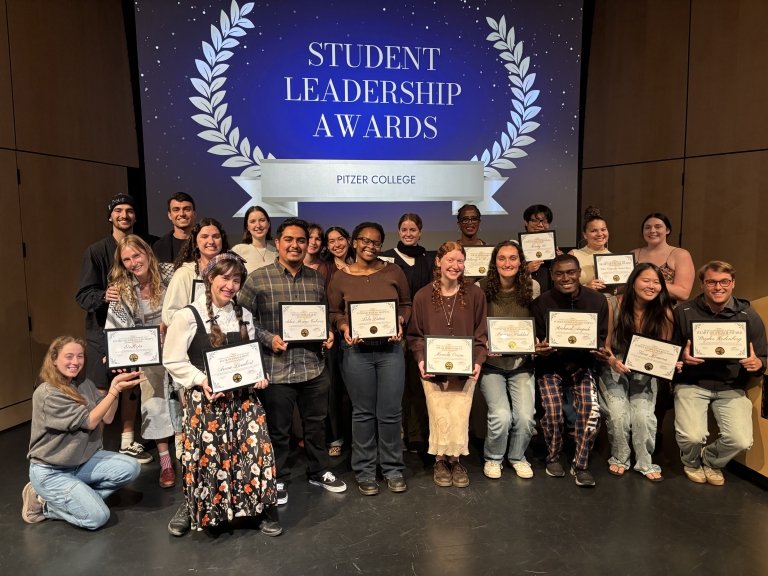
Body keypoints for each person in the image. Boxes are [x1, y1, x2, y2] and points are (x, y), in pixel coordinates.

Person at [163, 252, 281, 536]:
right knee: (208, 458)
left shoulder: (245, 315)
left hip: (242, 400)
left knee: (254, 451)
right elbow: (173, 359)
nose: (230, 285)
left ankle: (257, 508)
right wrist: (202, 380)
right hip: (206, 401)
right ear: (210, 279)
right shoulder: (187, 316)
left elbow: (249, 358)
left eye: (236, 280)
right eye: (224, 278)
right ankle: (195, 507)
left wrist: (258, 378)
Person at [238, 217, 347, 506]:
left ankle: (318, 470)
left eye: (301, 240)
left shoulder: (316, 278)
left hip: (312, 366)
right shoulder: (258, 278)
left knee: (316, 425)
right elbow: (242, 322)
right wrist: (267, 338)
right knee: (279, 429)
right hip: (276, 368)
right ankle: (279, 476)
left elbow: (322, 317)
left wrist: (328, 334)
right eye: (289, 239)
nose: (295, 245)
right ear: (278, 242)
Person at [23, 336, 144, 529]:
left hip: (83, 462)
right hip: (53, 471)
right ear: (54, 359)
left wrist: (115, 387)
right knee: (97, 517)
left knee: (131, 468)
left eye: (80, 356)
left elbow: (108, 417)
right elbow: (89, 421)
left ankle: (79, 497)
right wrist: (113, 391)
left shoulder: (84, 384)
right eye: (68, 356)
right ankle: (45, 504)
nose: (75, 362)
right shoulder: (48, 393)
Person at [327, 222, 411, 495]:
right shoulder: (340, 277)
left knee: (390, 412)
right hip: (356, 353)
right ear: (354, 242)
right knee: (362, 412)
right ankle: (364, 470)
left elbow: (407, 304)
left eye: (376, 242)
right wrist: (343, 327)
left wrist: (400, 320)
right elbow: (333, 312)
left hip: (390, 352)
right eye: (364, 240)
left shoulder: (393, 271)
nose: (369, 246)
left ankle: (392, 468)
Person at [673, 260, 766, 486]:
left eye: (724, 282)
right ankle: (692, 461)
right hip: (692, 384)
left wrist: (758, 364)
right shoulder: (684, 312)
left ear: (733, 283)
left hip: (731, 387)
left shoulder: (749, 315)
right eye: (711, 282)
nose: (718, 287)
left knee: (741, 441)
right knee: (692, 436)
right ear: (702, 285)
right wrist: (680, 358)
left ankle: (711, 460)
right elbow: (669, 352)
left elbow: (763, 356)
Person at [75, 193, 151, 464]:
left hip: (135, 336)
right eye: (118, 210)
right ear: (110, 216)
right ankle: (93, 449)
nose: (124, 215)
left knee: (131, 385)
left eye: (129, 210)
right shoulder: (96, 251)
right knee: (102, 390)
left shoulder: (144, 247)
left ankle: (127, 442)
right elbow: (83, 295)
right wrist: (104, 296)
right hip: (101, 334)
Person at [407, 241, 488, 488]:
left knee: (459, 415)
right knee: (439, 414)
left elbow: (481, 333)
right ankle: (440, 460)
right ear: (438, 262)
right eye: (450, 260)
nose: (455, 266)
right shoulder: (422, 296)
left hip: (466, 368)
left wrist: (478, 361)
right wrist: (421, 360)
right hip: (432, 369)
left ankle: (456, 459)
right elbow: (415, 336)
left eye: (460, 261)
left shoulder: (475, 294)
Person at [531, 254, 609, 487]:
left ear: (579, 274)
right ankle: (553, 456)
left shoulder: (597, 301)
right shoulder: (540, 303)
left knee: (590, 411)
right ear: (552, 276)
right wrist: (540, 350)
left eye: (571, 272)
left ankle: (581, 463)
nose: (566, 278)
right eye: (559, 273)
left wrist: (600, 351)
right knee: (553, 410)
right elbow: (537, 342)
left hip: (583, 366)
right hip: (550, 366)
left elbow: (602, 338)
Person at [106, 235, 176, 488]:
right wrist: (115, 352)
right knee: (153, 402)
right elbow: (116, 326)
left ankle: (189, 456)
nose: (134, 262)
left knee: (184, 400)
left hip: (178, 346)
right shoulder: (122, 288)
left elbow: (187, 302)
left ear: (147, 253)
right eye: (127, 259)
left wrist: (169, 325)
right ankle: (166, 461)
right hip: (149, 354)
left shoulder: (170, 272)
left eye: (136, 255)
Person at [598, 263, 674, 482]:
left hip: (645, 368)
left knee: (642, 414)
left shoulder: (665, 311)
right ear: (633, 281)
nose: (651, 286)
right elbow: (607, 344)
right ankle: (620, 457)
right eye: (645, 280)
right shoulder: (614, 303)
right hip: (615, 363)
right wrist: (612, 360)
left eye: (656, 282)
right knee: (618, 411)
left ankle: (645, 461)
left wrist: (670, 364)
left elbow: (664, 350)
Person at [478, 241, 539, 479]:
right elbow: (475, 326)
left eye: (513, 258)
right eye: (502, 258)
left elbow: (537, 321)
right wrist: (484, 343)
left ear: (521, 262)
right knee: (501, 415)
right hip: (492, 365)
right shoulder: (481, 288)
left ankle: (516, 457)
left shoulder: (532, 287)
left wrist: (535, 341)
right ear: (494, 262)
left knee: (525, 417)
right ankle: (493, 458)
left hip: (521, 364)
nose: (507, 263)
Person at [380, 213, 433, 453]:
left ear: (420, 231)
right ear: (398, 231)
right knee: (396, 385)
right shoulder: (386, 259)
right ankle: (397, 435)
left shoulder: (430, 259)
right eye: (404, 229)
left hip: (422, 328)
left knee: (418, 383)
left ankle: (417, 435)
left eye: (413, 229)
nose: (408, 233)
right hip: (395, 329)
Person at [322, 225, 355, 456]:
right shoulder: (325, 269)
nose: (337, 244)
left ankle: (357, 436)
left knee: (356, 390)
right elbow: (322, 306)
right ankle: (336, 437)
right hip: (334, 336)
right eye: (331, 241)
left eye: (340, 239)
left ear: (349, 240)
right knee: (334, 389)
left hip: (359, 336)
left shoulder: (361, 265)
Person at [630, 212, 695, 303]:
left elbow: (683, 293)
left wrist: (647, 284)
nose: (652, 231)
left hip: (665, 311)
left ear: (667, 230)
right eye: (647, 227)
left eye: (658, 227)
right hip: (633, 309)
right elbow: (622, 287)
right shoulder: (633, 254)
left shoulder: (680, 254)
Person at [569, 206, 611, 292]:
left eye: (603, 229)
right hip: (581, 302)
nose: (600, 234)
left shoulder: (615, 258)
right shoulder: (574, 255)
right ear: (585, 235)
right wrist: (586, 287)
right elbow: (564, 286)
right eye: (594, 231)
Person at [522, 204, 562, 292]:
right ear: (526, 222)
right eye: (535, 221)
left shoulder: (553, 247)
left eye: (545, 221)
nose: (540, 225)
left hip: (549, 295)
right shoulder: (516, 247)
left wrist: (561, 259)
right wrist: (526, 269)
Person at [152, 192, 197, 264]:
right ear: (169, 215)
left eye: (187, 209)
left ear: (194, 214)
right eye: (176, 210)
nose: (182, 214)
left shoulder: (206, 243)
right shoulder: (159, 247)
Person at [232, 205, 277, 274]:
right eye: (253, 221)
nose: (258, 225)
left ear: (268, 224)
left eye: (262, 220)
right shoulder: (238, 251)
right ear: (247, 227)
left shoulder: (277, 253)